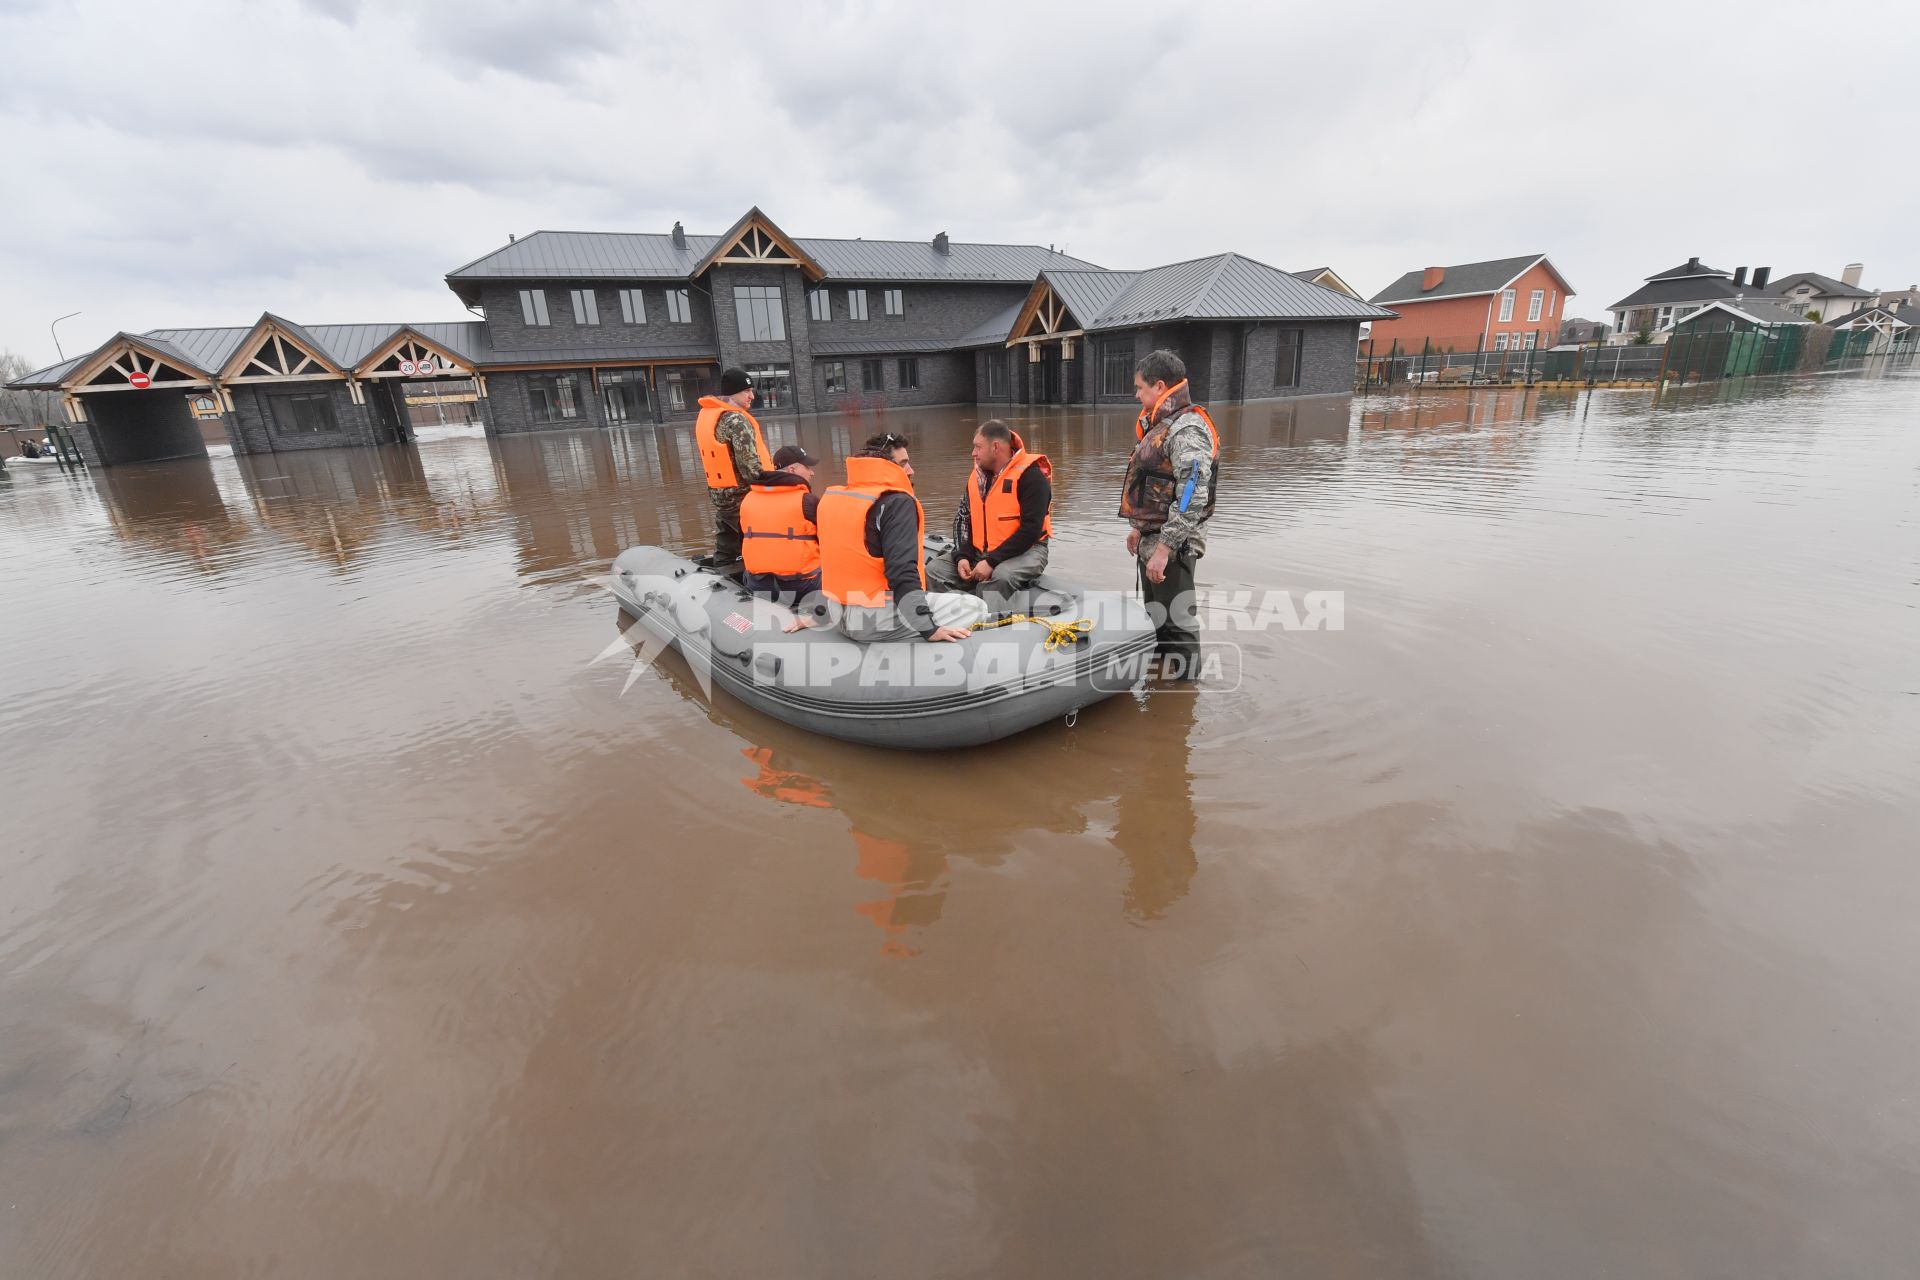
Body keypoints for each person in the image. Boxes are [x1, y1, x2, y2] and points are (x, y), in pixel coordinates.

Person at [816, 433, 987, 643]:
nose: (911, 470)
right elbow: (901, 571)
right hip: (870, 620)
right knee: (977, 606)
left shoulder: (838, 497)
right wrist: (929, 629)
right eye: (903, 464)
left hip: (836, 612)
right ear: (887, 467)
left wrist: (817, 615)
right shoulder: (896, 502)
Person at [1119, 349, 1219, 674]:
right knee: (1155, 618)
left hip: (1173, 548)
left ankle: (1184, 705)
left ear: (1159, 386)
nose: (1136, 395)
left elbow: (1192, 494)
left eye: (1140, 388)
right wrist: (1138, 527)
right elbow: (1152, 485)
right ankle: (1158, 691)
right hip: (1153, 541)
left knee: (1179, 624)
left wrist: (1164, 548)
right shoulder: (1159, 424)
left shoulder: (1187, 428)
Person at [926, 420, 1052, 606]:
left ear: (995, 447)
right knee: (934, 570)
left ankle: (987, 623)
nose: (973, 453)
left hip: (1028, 551)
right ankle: (958, 613)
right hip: (981, 551)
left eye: (978, 447)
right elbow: (962, 519)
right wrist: (962, 556)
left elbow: (1031, 531)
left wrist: (991, 561)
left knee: (1000, 577)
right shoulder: (976, 478)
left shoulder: (1031, 477)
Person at [693, 368, 772, 566]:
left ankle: (722, 572)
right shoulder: (737, 420)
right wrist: (774, 483)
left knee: (726, 543)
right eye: (747, 391)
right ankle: (758, 581)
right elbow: (749, 467)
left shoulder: (710, 414)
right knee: (757, 544)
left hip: (721, 495)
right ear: (733, 392)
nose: (752, 396)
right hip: (741, 496)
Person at [739, 444, 822, 604]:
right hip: (803, 587)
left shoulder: (747, 499)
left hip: (759, 585)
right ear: (792, 470)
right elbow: (829, 543)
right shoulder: (807, 501)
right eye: (807, 467)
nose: (812, 472)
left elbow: (742, 541)